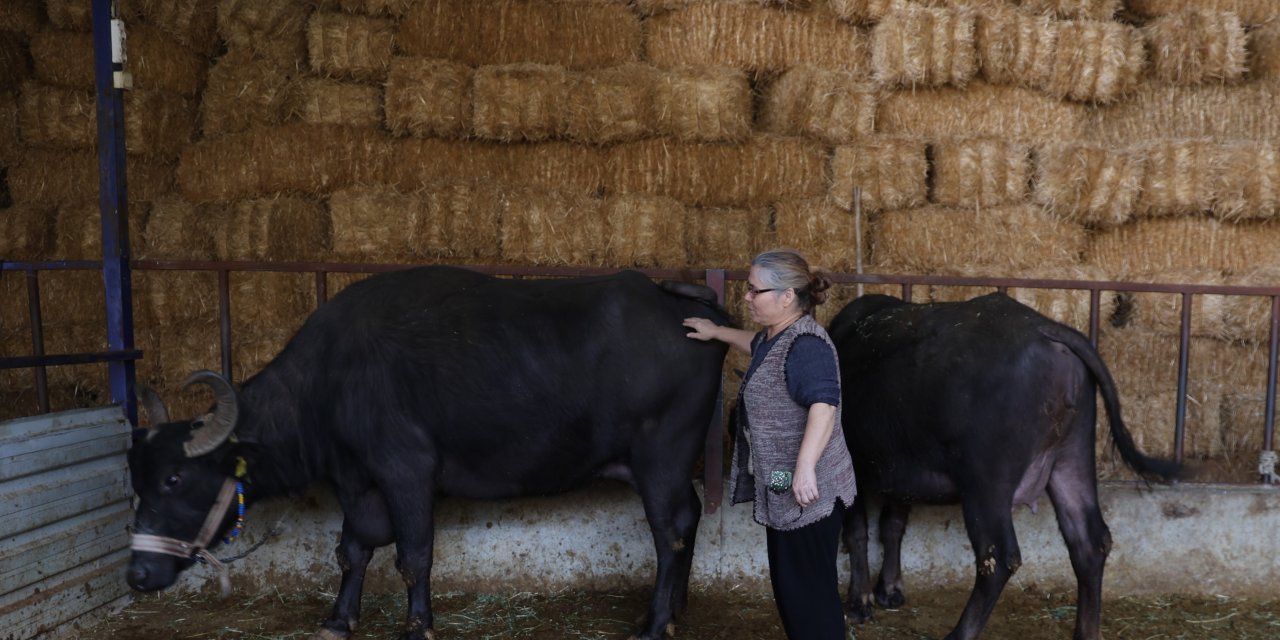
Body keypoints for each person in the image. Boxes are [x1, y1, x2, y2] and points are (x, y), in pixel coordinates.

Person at [683, 248, 856, 640]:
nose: (746, 297)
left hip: (812, 492)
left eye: (754, 290)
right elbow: (758, 346)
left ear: (787, 297)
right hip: (785, 484)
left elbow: (824, 406)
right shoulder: (778, 337)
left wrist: (806, 467)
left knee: (809, 597)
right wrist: (718, 333)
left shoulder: (807, 346)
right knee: (792, 590)